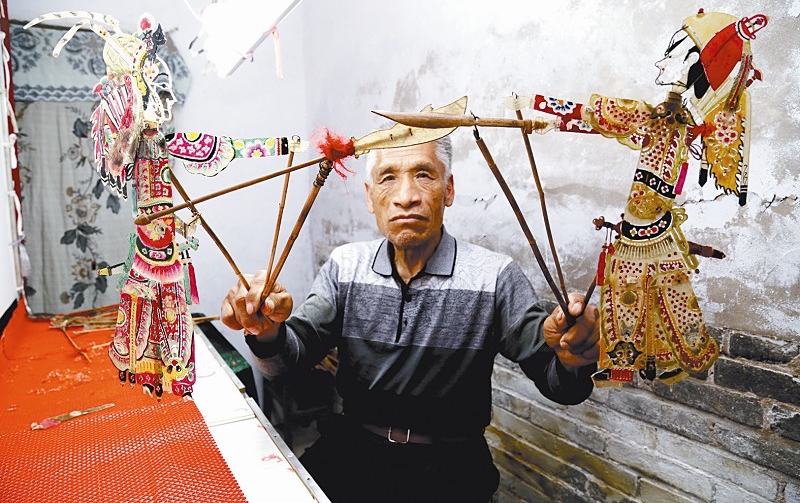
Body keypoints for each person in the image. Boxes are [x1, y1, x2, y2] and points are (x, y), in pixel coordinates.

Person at [221, 136, 600, 502]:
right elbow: (286, 361)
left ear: (448, 189)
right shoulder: (345, 266)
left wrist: (572, 357)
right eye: (388, 177)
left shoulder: (494, 276)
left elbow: (561, 384)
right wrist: (266, 330)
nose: (406, 196)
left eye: (423, 174)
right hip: (354, 451)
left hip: (451, 466)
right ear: (370, 196)